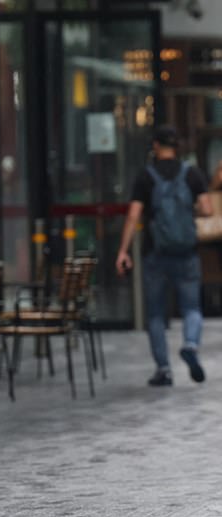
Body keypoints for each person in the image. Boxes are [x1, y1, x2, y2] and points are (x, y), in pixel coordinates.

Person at [116, 125, 213, 387]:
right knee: (192, 307)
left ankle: (163, 369)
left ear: (156, 146)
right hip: (187, 253)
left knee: (156, 314)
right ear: (176, 147)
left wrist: (124, 250)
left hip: (155, 254)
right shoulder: (192, 174)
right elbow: (207, 209)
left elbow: (134, 215)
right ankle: (191, 345)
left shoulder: (146, 177)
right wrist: (188, 211)